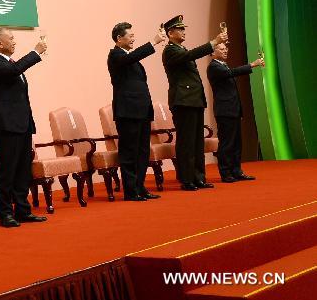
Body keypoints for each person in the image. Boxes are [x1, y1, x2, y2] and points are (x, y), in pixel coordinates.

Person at [0, 28, 48, 227]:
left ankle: (22, 210)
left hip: (22, 124)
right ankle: (5, 213)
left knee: (23, 170)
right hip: (6, 125)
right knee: (6, 170)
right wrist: (35, 52)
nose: (14, 41)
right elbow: (13, 72)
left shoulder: (12, 63)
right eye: (10, 38)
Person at [161, 15, 227, 191]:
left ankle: (199, 177)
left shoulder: (181, 49)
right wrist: (214, 42)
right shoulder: (170, 50)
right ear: (170, 33)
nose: (184, 32)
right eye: (180, 29)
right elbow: (190, 55)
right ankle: (187, 179)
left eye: (184, 29)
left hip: (194, 100)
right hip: (183, 101)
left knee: (197, 142)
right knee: (186, 142)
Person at [108, 22, 166, 202]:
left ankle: (140, 187)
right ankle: (131, 191)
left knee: (142, 152)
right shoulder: (115, 55)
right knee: (129, 152)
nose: (133, 38)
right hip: (127, 111)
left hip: (141, 111)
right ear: (119, 38)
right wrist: (153, 42)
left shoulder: (131, 58)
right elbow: (131, 58)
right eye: (130, 36)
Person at [207, 43, 264, 183]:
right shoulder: (214, 67)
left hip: (233, 110)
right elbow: (231, 73)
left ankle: (237, 171)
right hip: (224, 111)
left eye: (226, 48)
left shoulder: (223, 65)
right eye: (221, 49)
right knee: (227, 143)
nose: (225, 50)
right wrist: (252, 64)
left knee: (237, 143)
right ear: (212, 53)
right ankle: (226, 172)